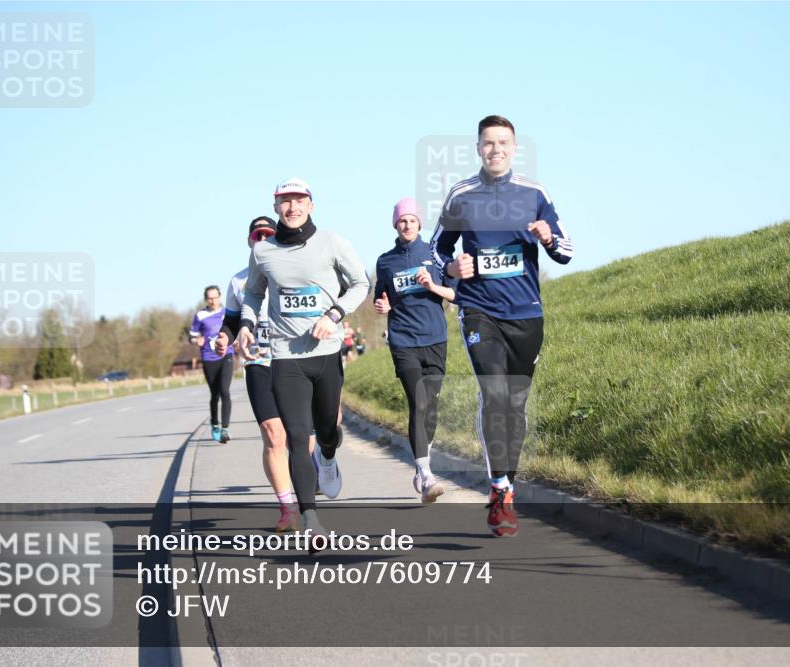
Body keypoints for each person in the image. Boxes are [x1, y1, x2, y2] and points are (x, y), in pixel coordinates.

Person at [430, 115, 573, 537]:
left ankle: (506, 478)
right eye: (488, 143)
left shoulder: (534, 193)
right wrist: (452, 267)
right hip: (479, 309)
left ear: (514, 148)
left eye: (503, 143)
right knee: (494, 392)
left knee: (514, 405)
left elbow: (566, 251)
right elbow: (436, 250)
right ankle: (499, 490)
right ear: (478, 149)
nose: (496, 149)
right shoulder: (461, 195)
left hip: (526, 313)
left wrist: (547, 238)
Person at [237, 177, 370, 551]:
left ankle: (328, 456)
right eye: (285, 202)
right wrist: (246, 325)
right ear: (276, 206)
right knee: (297, 436)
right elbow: (252, 293)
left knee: (326, 430)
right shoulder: (263, 252)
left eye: (299, 201)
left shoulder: (331, 242)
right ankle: (311, 519)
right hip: (285, 357)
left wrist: (334, 313)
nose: (292, 208)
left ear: (311, 204)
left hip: (326, 352)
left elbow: (361, 283)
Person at [214, 216, 300, 532]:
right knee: (273, 434)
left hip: (293, 362)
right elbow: (232, 320)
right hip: (258, 363)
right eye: (256, 235)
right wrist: (225, 335)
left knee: (300, 439)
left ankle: (313, 466)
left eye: (268, 234)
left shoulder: (293, 272)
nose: (262, 240)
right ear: (250, 241)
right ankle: (288, 508)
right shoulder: (238, 282)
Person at [374, 197, 455, 503]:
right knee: (419, 403)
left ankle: (423, 459)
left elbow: (456, 293)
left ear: (420, 223)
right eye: (401, 220)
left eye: (412, 220)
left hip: (435, 338)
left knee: (431, 407)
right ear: (395, 224)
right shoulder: (386, 261)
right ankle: (425, 474)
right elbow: (380, 298)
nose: (406, 225)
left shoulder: (435, 256)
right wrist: (381, 305)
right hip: (403, 339)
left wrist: (433, 287)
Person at [189, 285, 235, 443]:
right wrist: (197, 340)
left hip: (226, 355)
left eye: (215, 297)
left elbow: (234, 329)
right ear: (205, 299)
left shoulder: (226, 312)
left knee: (225, 391)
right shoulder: (200, 316)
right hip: (209, 358)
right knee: (215, 394)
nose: (213, 300)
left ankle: (225, 428)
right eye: (209, 298)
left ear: (220, 297)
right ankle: (215, 424)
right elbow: (192, 337)